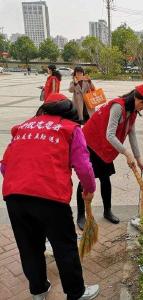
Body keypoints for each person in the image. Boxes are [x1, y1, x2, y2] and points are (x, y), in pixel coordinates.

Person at [0, 93, 100, 300]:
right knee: (64, 246)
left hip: (15, 196)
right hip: (51, 197)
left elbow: (4, 165)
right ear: (70, 113)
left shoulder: (24, 127)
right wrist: (89, 189)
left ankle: (38, 291)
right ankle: (76, 292)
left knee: (29, 246)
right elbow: (83, 166)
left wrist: (22, 181)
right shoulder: (71, 129)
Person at [76, 84, 143, 230]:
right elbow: (110, 134)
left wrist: (139, 160)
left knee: (105, 177)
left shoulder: (132, 111)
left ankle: (107, 211)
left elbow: (131, 134)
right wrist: (126, 153)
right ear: (138, 100)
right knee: (85, 179)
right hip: (91, 143)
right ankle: (81, 215)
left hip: (105, 146)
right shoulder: (118, 107)